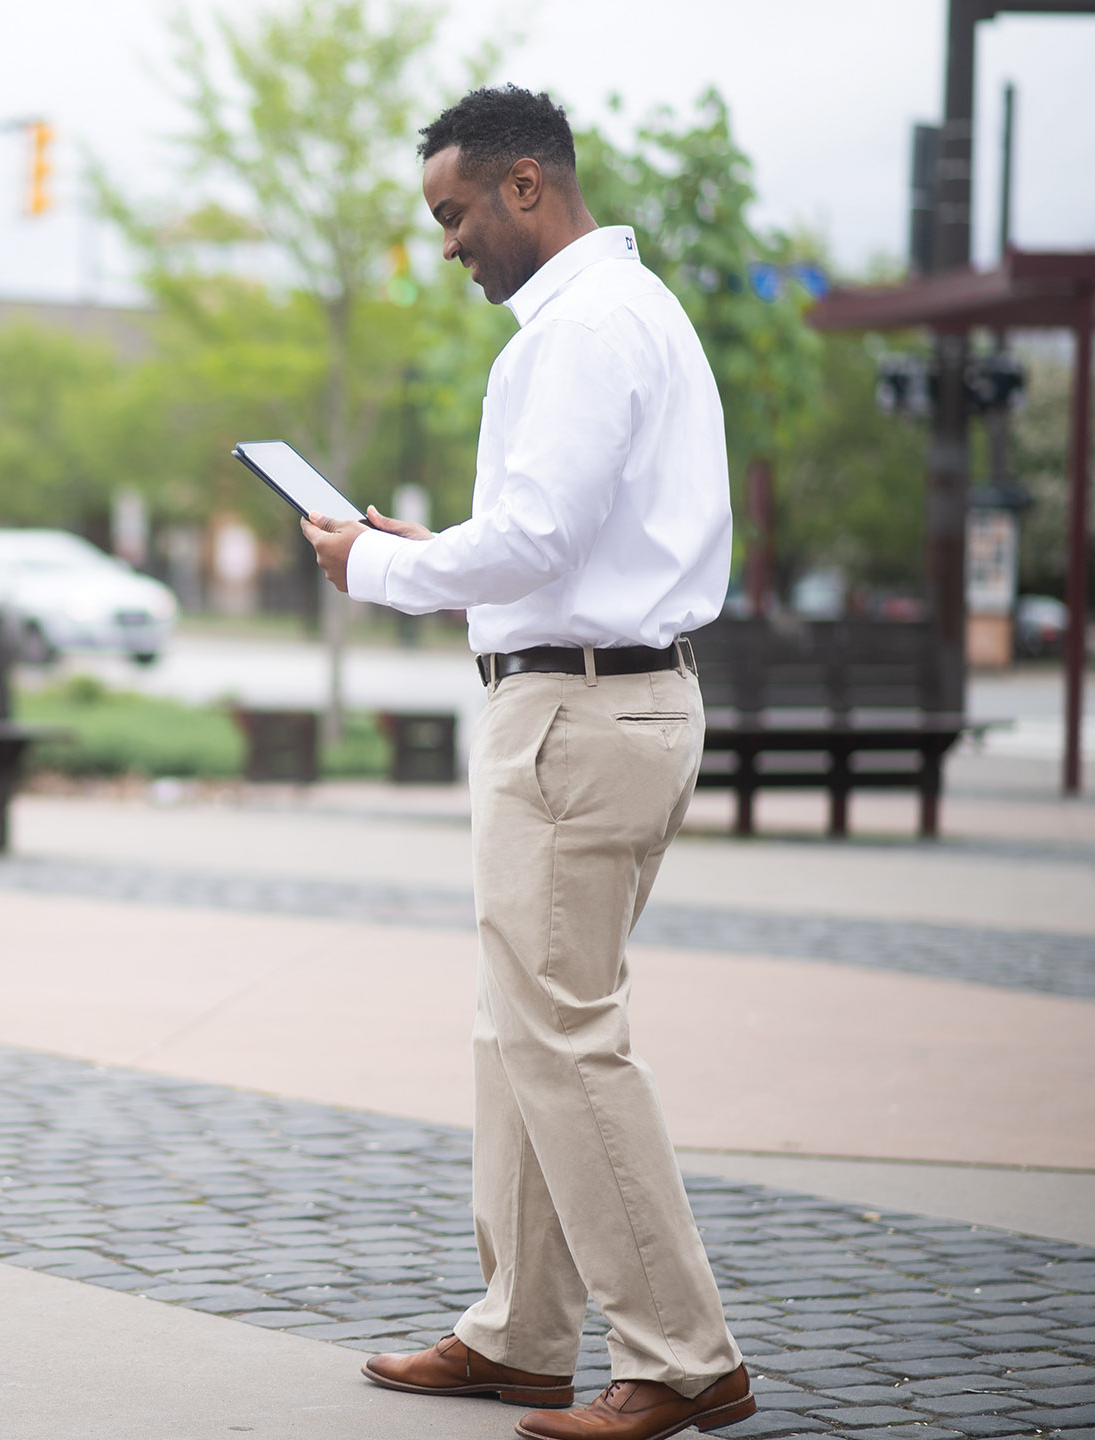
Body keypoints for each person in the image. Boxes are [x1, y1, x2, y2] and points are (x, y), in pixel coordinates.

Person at [300, 85, 753, 1440]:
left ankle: (681, 1355)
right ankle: (520, 1332)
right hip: (594, 703)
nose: (448, 244)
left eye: (453, 214)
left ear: (525, 189)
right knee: (522, 1031)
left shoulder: (584, 327)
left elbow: (542, 540)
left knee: (560, 1037)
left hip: (579, 716)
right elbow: (557, 537)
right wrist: (432, 543)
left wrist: (374, 561)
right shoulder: (624, 313)